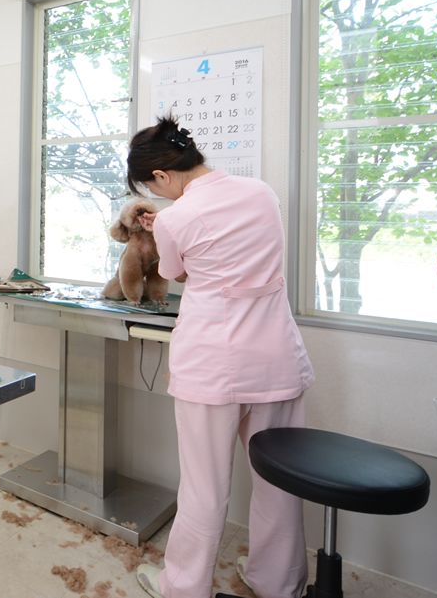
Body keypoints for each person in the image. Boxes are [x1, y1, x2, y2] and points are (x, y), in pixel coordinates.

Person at [127, 117, 314, 598]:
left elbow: (177, 273)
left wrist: (164, 226)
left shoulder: (175, 217)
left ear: (162, 177)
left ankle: (184, 587)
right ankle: (278, 582)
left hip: (212, 363)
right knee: (278, 481)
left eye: (153, 186)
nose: (158, 195)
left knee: (204, 489)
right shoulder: (260, 192)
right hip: (274, 354)